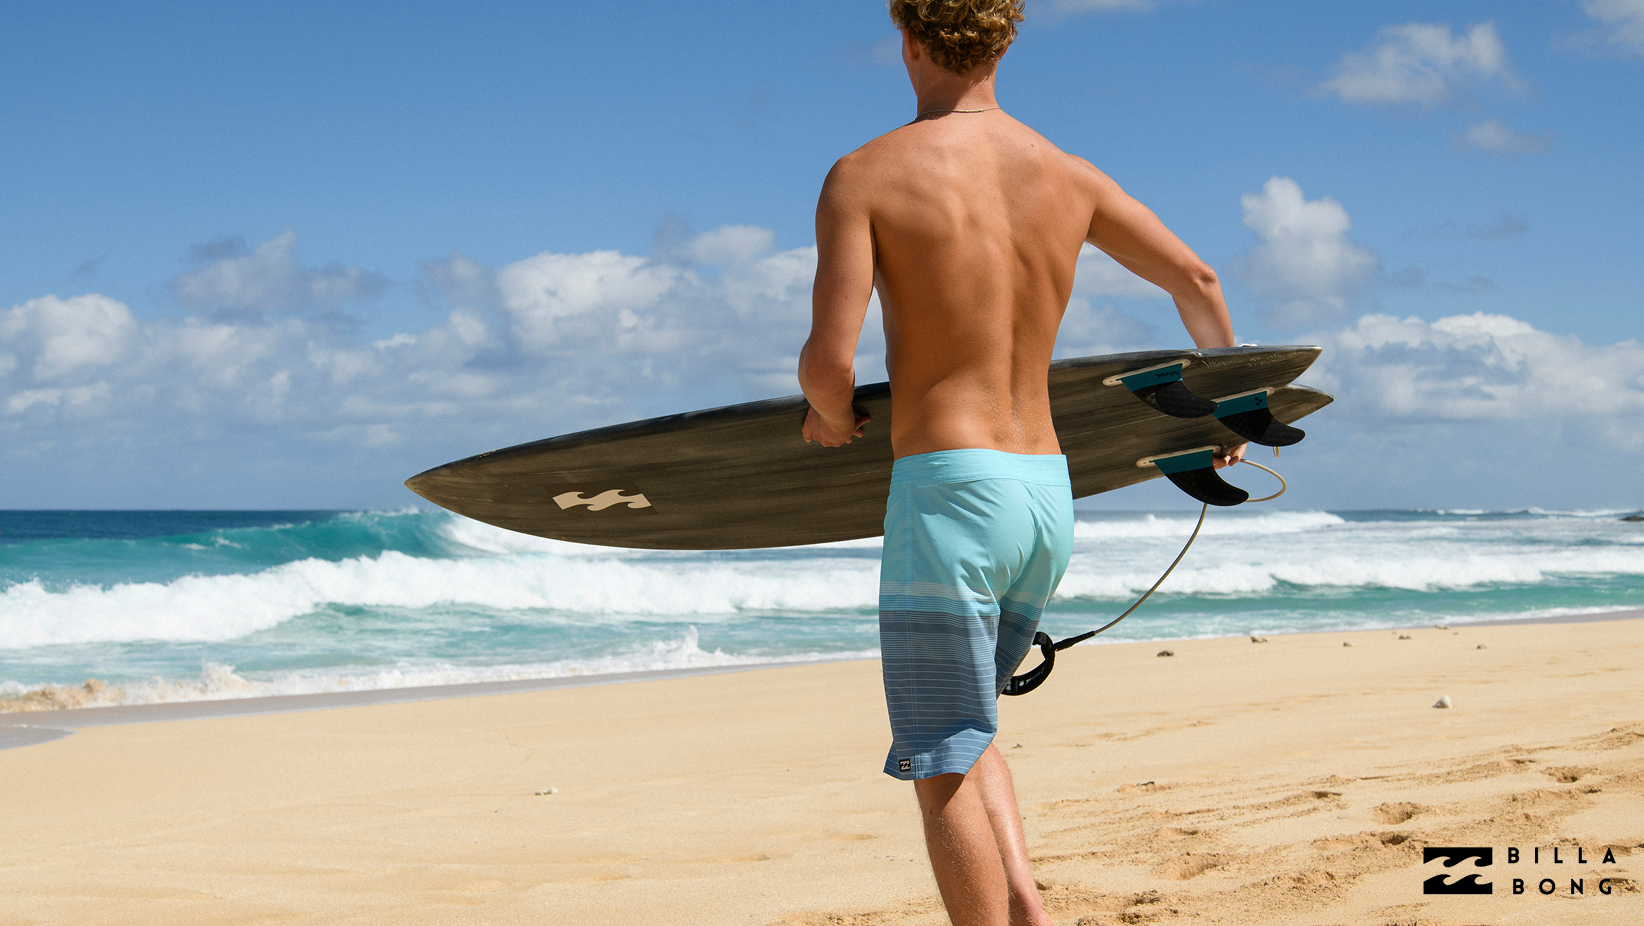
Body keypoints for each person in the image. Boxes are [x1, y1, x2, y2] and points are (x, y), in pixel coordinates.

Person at [797, 2, 1243, 924]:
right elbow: (1196, 279)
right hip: (1045, 494)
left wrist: (829, 417)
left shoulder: (865, 174)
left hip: (950, 496)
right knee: (972, 723)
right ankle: (1025, 904)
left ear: (908, 41)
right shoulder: (1069, 175)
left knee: (939, 759)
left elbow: (830, 365)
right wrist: (1230, 399)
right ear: (1005, 42)